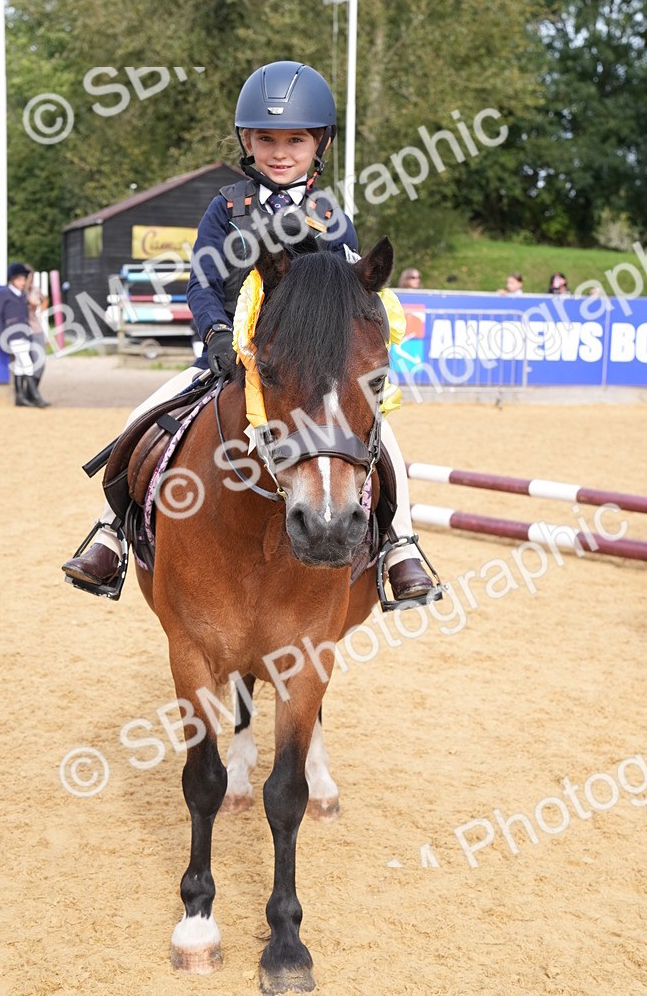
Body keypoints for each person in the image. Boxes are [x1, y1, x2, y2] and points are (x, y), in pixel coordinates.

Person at [62, 60, 438, 605]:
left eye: (295, 140)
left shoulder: (331, 218)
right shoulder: (226, 209)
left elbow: (353, 295)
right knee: (139, 421)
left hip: (306, 373)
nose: (280, 153)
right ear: (247, 141)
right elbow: (201, 282)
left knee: (382, 441)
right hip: (227, 360)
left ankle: (400, 548)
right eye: (267, 140)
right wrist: (216, 334)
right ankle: (109, 535)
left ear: (319, 144)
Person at [0, 262, 49, 408]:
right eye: (19, 279)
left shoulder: (23, 295)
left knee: (20, 366)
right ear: (12, 279)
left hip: (25, 333)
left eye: (24, 279)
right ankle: (35, 397)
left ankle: (20, 397)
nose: (23, 282)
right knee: (28, 364)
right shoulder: (4, 294)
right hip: (13, 335)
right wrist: (2, 335)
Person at [24, 269, 51, 402]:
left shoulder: (35, 290)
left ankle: (31, 394)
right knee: (25, 364)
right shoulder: (19, 293)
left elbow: (45, 300)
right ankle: (30, 395)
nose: (30, 281)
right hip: (22, 330)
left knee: (40, 363)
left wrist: (40, 310)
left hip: (35, 329)